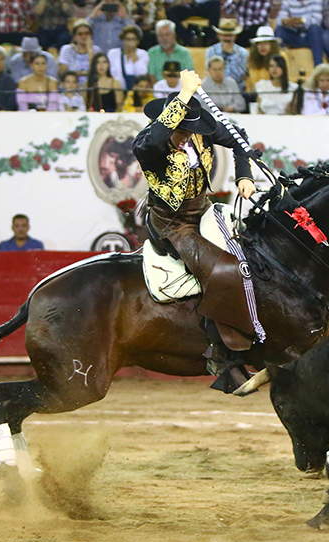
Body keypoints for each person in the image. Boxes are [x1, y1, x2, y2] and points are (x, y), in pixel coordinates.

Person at [132, 69, 256, 378]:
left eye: (192, 129)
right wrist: (185, 93)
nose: (188, 136)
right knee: (220, 269)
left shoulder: (198, 133)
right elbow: (151, 142)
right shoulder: (150, 143)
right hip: (171, 224)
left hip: (203, 210)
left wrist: (244, 175)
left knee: (254, 254)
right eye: (182, 130)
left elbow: (239, 137)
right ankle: (220, 353)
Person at [275, 0, 324, 68]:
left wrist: (302, 21)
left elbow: (317, 19)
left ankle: (318, 67)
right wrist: (285, 21)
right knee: (279, 30)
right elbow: (279, 19)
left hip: (309, 36)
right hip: (293, 35)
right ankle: (278, 67)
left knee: (315, 29)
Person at [205, 18, 249, 88]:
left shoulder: (243, 53)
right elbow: (210, 73)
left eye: (230, 35)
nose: (227, 38)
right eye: (224, 35)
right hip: (215, 89)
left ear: (235, 36)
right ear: (218, 36)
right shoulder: (211, 51)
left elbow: (244, 75)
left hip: (238, 89)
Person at [245, 26, 288, 93]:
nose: (262, 47)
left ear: (273, 45)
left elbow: (285, 77)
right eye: (259, 43)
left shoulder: (280, 56)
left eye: (266, 43)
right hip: (255, 93)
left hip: (274, 92)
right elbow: (250, 80)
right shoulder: (252, 58)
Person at [58, 19, 101, 86]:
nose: (84, 36)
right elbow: (63, 73)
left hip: (91, 86)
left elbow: (97, 73)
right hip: (71, 86)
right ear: (74, 36)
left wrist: (90, 51)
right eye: (80, 34)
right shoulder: (67, 49)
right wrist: (86, 73)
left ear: (91, 35)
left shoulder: (96, 50)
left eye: (87, 33)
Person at [109, 25, 149, 90]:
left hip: (137, 91)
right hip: (118, 89)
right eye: (127, 39)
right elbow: (112, 74)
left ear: (137, 41)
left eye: (133, 39)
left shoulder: (143, 54)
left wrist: (134, 56)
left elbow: (142, 74)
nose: (129, 42)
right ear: (123, 40)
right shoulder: (113, 53)